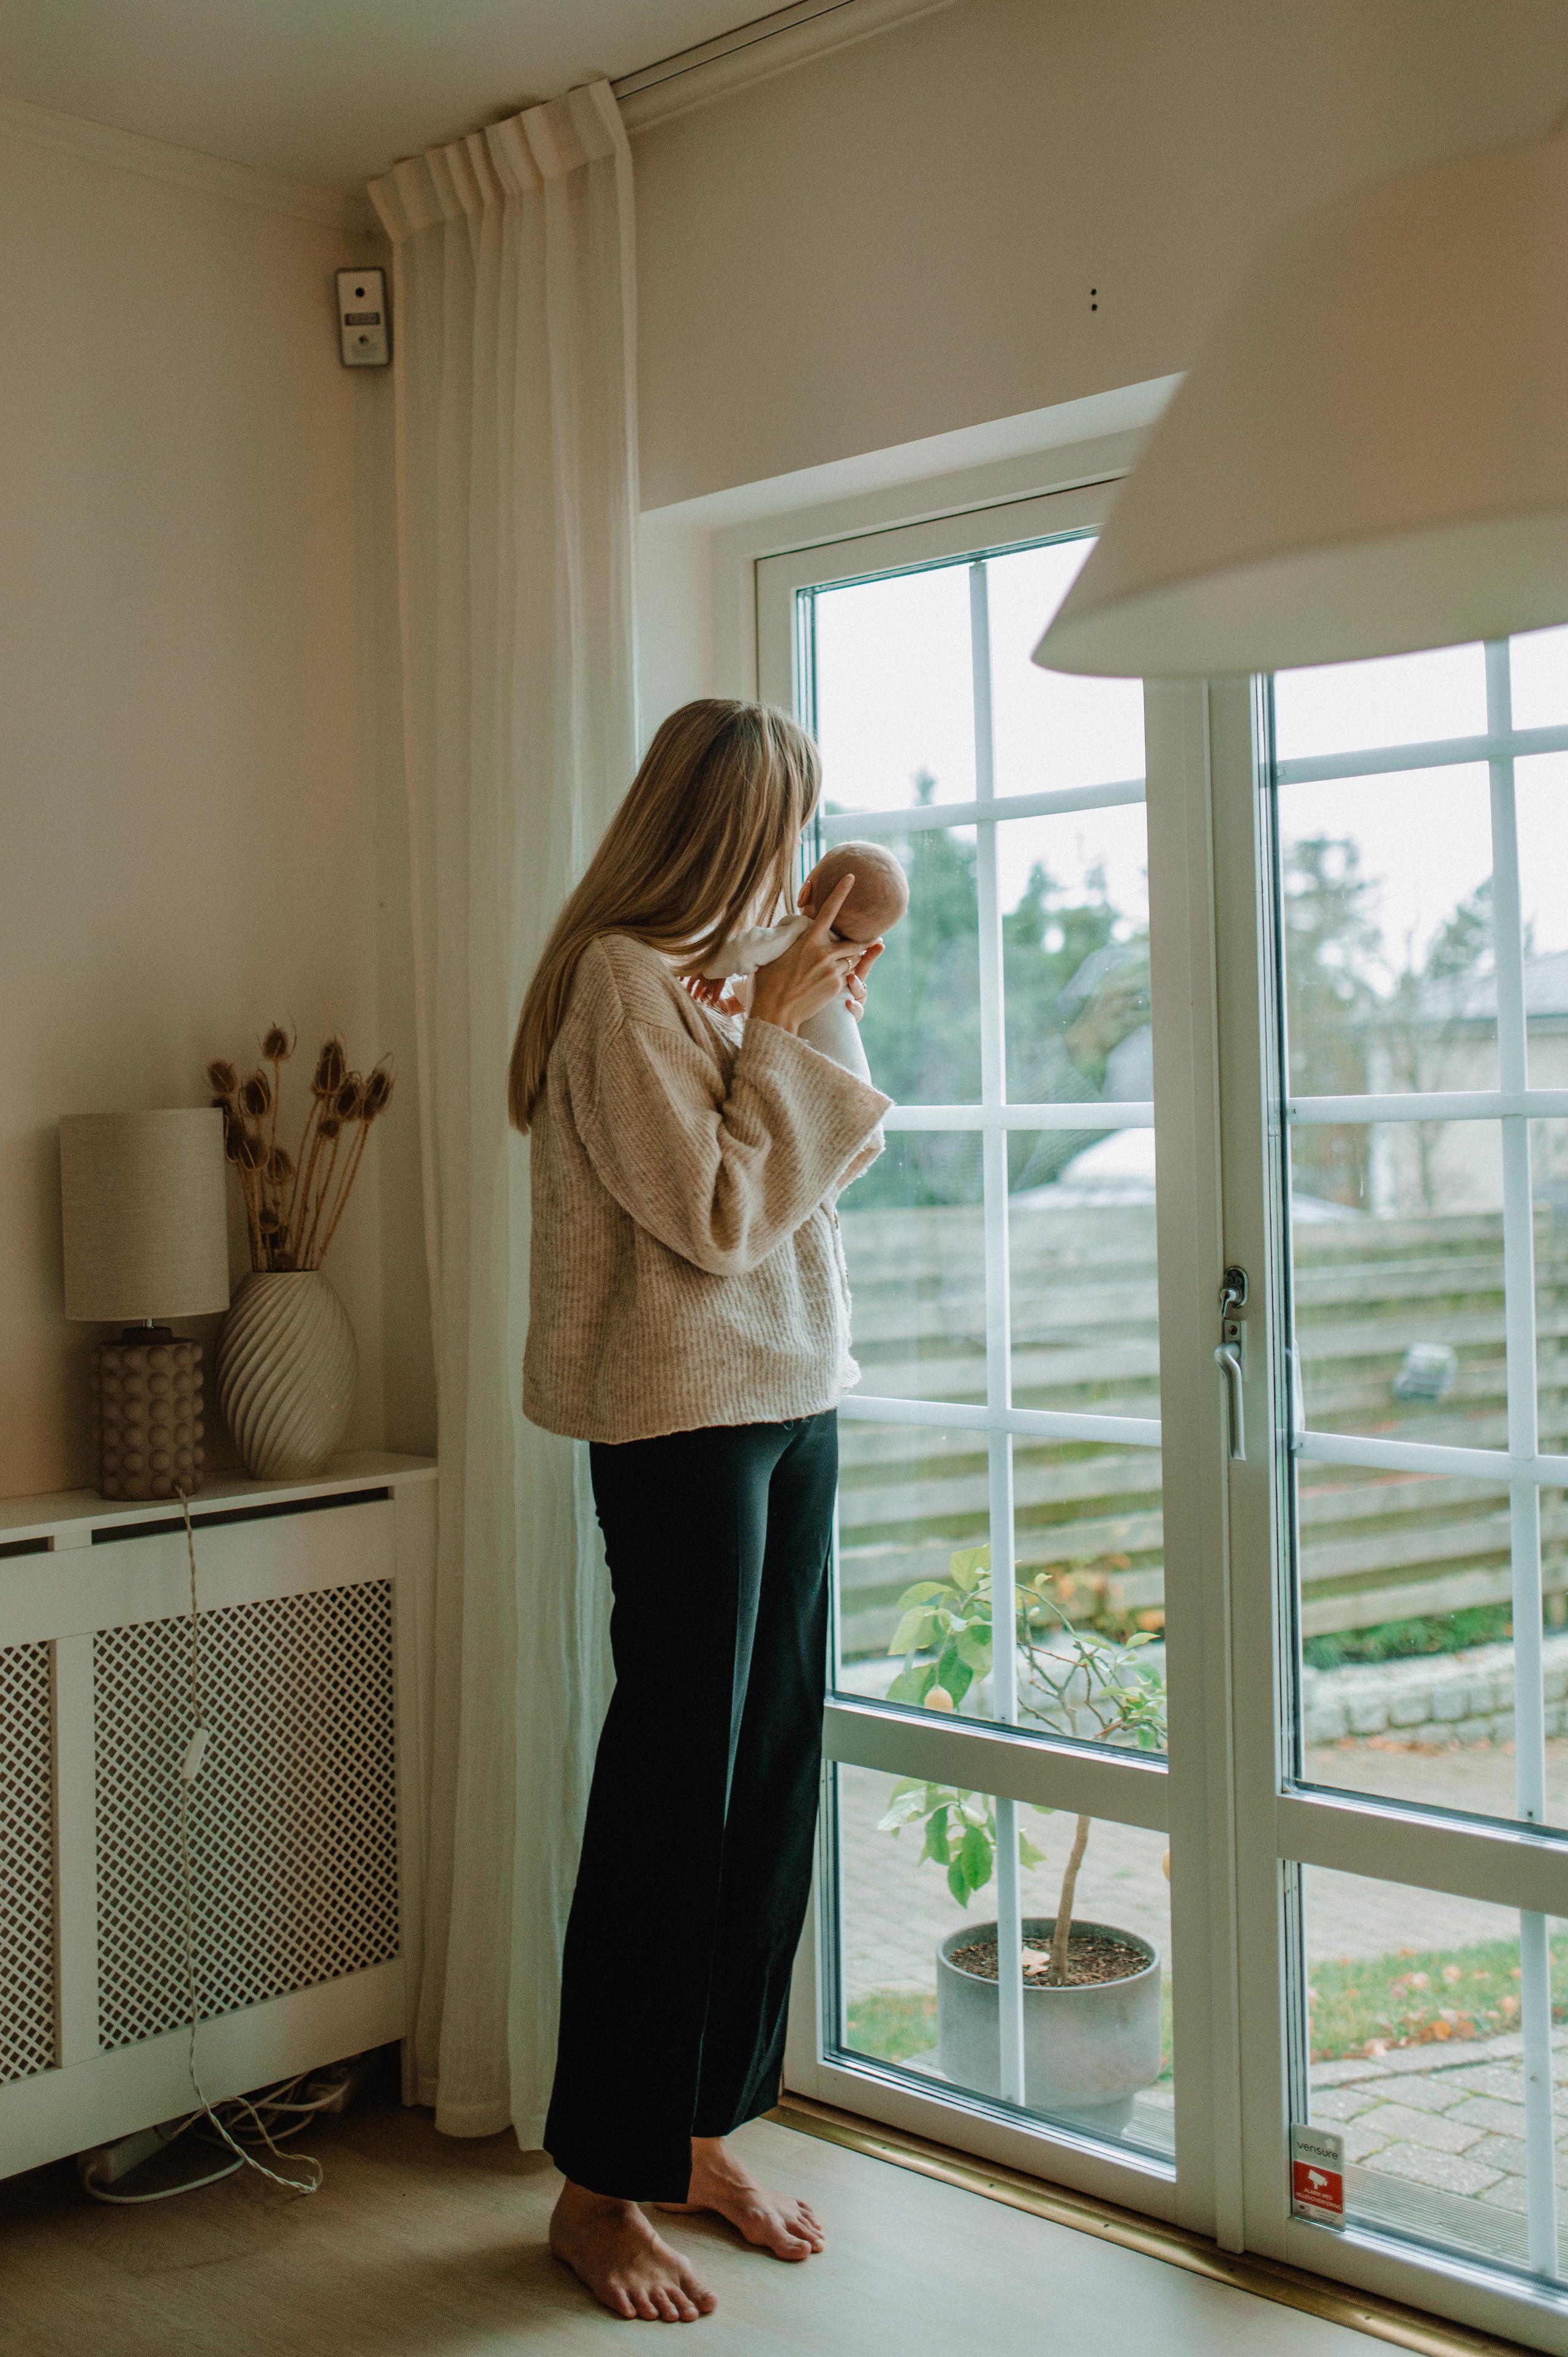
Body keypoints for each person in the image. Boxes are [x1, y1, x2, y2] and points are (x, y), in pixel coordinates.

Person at [508, 699, 891, 2325]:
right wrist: (784, 1022)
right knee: (677, 1791)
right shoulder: (613, 980)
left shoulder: (740, 963)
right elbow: (723, 1210)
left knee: (771, 1779)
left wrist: (805, 997)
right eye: (786, 827)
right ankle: (597, 2187)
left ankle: (694, 2131)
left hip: (794, 1396)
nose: (800, 862)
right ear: (728, 823)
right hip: (680, 1416)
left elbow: (836, 1150)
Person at [689, 837, 910, 1084]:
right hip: (854, 1082)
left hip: (814, 1084)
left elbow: (743, 953)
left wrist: (707, 966)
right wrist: (733, 1003)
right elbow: (770, 984)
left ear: (805, 892)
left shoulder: (798, 933)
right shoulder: (842, 964)